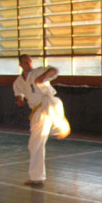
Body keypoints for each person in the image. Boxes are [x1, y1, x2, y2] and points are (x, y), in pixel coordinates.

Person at [13, 54, 71, 185]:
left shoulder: (38, 72)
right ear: (20, 65)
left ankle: (61, 126)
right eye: (25, 62)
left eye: (29, 61)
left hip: (49, 102)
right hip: (37, 112)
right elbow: (18, 94)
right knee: (35, 144)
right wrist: (20, 100)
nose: (28, 64)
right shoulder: (18, 82)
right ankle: (36, 177)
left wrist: (43, 77)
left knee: (48, 103)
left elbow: (54, 70)